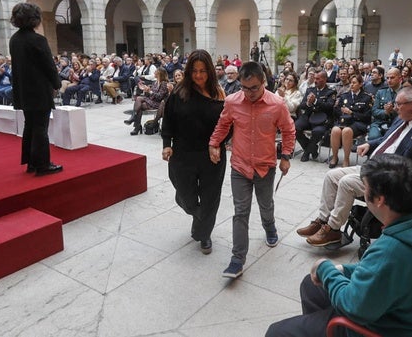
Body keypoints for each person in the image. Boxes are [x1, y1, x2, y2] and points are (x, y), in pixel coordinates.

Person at [267, 154, 412, 337]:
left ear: (379, 200)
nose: (362, 189)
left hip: (384, 327)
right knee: (311, 285)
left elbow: (355, 306)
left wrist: (325, 268)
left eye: (364, 187)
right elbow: (385, 271)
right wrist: (345, 269)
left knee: (277, 332)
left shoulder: (392, 250)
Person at [297, 87, 412, 247]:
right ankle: (322, 220)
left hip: (391, 179)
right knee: (332, 176)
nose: (395, 107)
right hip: (372, 168)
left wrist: (396, 170)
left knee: (347, 182)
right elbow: (386, 140)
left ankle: (333, 229)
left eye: (399, 104)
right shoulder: (401, 119)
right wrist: (369, 144)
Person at [209, 61, 295, 279]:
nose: (248, 93)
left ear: (263, 82)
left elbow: (288, 130)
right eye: (244, 88)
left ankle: (270, 227)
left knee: (266, 205)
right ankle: (237, 259)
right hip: (240, 166)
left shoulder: (277, 104)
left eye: (254, 88)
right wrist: (214, 143)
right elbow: (223, 125)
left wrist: (285, 156)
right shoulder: (232, 101)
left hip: (265, 166)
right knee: (241, 212)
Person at [161, 49, 226, 255]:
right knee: (185, 196)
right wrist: (166, 143)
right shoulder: (180, 92)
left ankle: (203, 234)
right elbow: (168, 119)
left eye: (203, 71)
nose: (199, 75)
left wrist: (218, 143)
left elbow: (227, 123)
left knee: (210, 198)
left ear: (210, 72)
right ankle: (198, 215)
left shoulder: (219, 92)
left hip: (212, 154)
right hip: (183, 153)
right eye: (195, 71)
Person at [9, 2, 62, 176]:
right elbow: (49, 66)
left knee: (29, 125)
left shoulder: (14, 39)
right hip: (39, 90)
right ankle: (43, 165)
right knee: (41, 128)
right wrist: (57, 83)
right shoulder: (37, 40)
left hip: (23, 90)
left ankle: (31, 162)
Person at [329, 74, 373, 168]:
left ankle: (346, 159)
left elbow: (367, 117)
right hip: (344, 122)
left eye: (354, 83)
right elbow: (337, 111)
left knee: (346, 131)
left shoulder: (366, 98)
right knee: (335, 130)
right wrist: (339, 110)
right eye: (351, 83)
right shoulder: (345, 96)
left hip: (358, 123)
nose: (351, 85)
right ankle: (335, 157)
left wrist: (352, 113)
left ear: (361, 84)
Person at [295, 70, 336, 162]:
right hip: (309, 116)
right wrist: (308, 103)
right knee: (295, 128)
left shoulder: (330, 92)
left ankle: (306, 153)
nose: (315, 80)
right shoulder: (310, 90)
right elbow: (302, 105)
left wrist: (316, 101)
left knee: (317, 132)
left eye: (318, 78)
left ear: (325, 79)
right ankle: (312, 149)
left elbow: (329, 107)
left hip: (322, 119)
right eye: (315, 78)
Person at [125, 67, 169, 135]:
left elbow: (159, 97)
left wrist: (150, 91)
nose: (154, 73)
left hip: (158, 103)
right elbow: (150, 95)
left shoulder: (164, 83)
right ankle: (136, 125)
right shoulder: (155, 82)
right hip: (151, 101)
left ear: (159, 73)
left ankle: (135, 123)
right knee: (139, 106)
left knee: (139, 99)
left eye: (155, 71)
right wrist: (145, 90)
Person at [368, 67, 401, 139]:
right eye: (387, 78)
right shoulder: (381, 92)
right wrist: (385, 112)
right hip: (379, 122)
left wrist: (393, 112)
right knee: (373, 137)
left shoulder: (405, 93)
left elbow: (408, 114)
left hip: (397, 123)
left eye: (392, 78)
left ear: (400, 79)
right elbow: (374, 111)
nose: (389, 80)